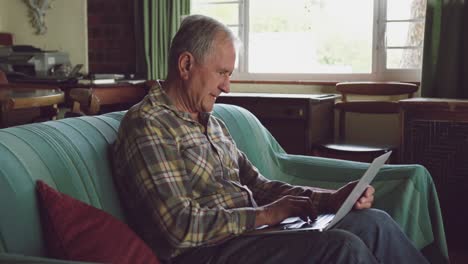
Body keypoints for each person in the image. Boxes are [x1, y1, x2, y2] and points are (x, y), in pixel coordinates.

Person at [112, 14, 428, 264]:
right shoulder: (149, 125)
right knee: (342, 248)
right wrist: (267, 215)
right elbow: (177, 229)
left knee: (374, 222)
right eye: (222, 73)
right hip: (209, 252)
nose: (227, 87)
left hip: (253, 235)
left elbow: (260, 186)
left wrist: (328, 199)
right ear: (185, 65)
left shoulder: (213, 124)